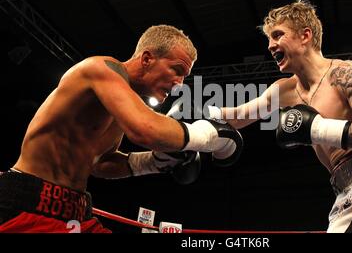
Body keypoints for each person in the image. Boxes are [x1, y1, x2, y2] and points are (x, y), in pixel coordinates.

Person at [207, 0, 352, 233]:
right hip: (350, 190)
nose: (270, 46)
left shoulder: (343, 73)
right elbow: (237, 116)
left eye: (277, 35)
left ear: (305, 36)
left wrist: (316, 129)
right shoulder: (284, 91)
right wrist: (195, 115)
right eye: (269, 39)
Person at [0, 25, 242, 233]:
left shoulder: (123, 104)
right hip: (26, 201)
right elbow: (146, 129)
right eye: (176, 70)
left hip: (76, 209)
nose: (179, 83)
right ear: (147, 59)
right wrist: (208, 135)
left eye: (184, 76)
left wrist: (154, 163)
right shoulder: (100, 69)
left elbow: (99, 163)